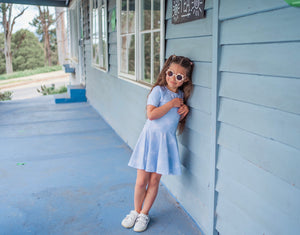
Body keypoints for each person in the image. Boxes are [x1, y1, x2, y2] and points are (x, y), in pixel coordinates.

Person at [121, 55, 194, 232]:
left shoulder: (181, 97)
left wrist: (185, 109)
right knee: (141, 181)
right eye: (171, 73)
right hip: (149, 141)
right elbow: (152, 115)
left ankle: (144, 214)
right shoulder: (159, 91)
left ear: (185, 80)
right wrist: (171, 105)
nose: (173, 78)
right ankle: (136, 211)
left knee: (154, 181)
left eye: (179, 76)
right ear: (165, 72)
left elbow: (176, 117)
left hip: (165, 143)